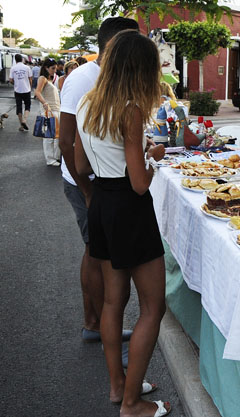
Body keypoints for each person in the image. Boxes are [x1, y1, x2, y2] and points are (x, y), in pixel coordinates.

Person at [74, 29, 170, 417]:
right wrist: (153, 156)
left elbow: (80, 165)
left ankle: (119, 386)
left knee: (113, 302)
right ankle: (132, 404)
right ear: (140, 69)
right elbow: (139, 182)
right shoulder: (130, 110)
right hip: (130, 209)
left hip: (102, 204)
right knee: (153, 308)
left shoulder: (86, 103)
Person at [58, 17, 139, 367]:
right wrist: (88, 191)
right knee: (98, 254)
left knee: (99, 254)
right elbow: (66, 140)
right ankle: (94, 324)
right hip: (88, 184)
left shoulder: (115, 77)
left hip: (105, 183)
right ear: (111, 44)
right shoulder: (83, 79)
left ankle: (97, 324)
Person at [34, 58, 62, 166]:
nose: (55, 70)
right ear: (46, 68)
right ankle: (50, 159)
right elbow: (37, 92)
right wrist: (44, 103)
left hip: (55, 110)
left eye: (55, 68)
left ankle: (54, 157)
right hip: (50, 110)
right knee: (50, 137)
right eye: (53, 68)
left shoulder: (48, 79)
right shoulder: (43, 78)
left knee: (55, 136)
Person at [9, 54, 32, 132]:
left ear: (15, 60)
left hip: (17, 90)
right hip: (26, 89)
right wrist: (30, 86)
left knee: (19, 107)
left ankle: (21, 126)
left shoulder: (13, 68)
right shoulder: (27, 67)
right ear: (22, 59)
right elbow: (30, 79)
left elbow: (11, 80)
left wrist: (15, 83)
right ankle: (24, 120)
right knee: (27, 105)